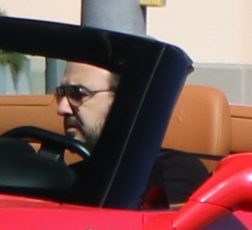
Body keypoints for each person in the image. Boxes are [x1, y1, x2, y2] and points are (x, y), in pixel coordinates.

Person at [58, 62, 209, 205]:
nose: (62, 108)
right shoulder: (66, 176)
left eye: (77, 94)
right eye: (61, 93)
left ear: (124, 101)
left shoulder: (176, 171)